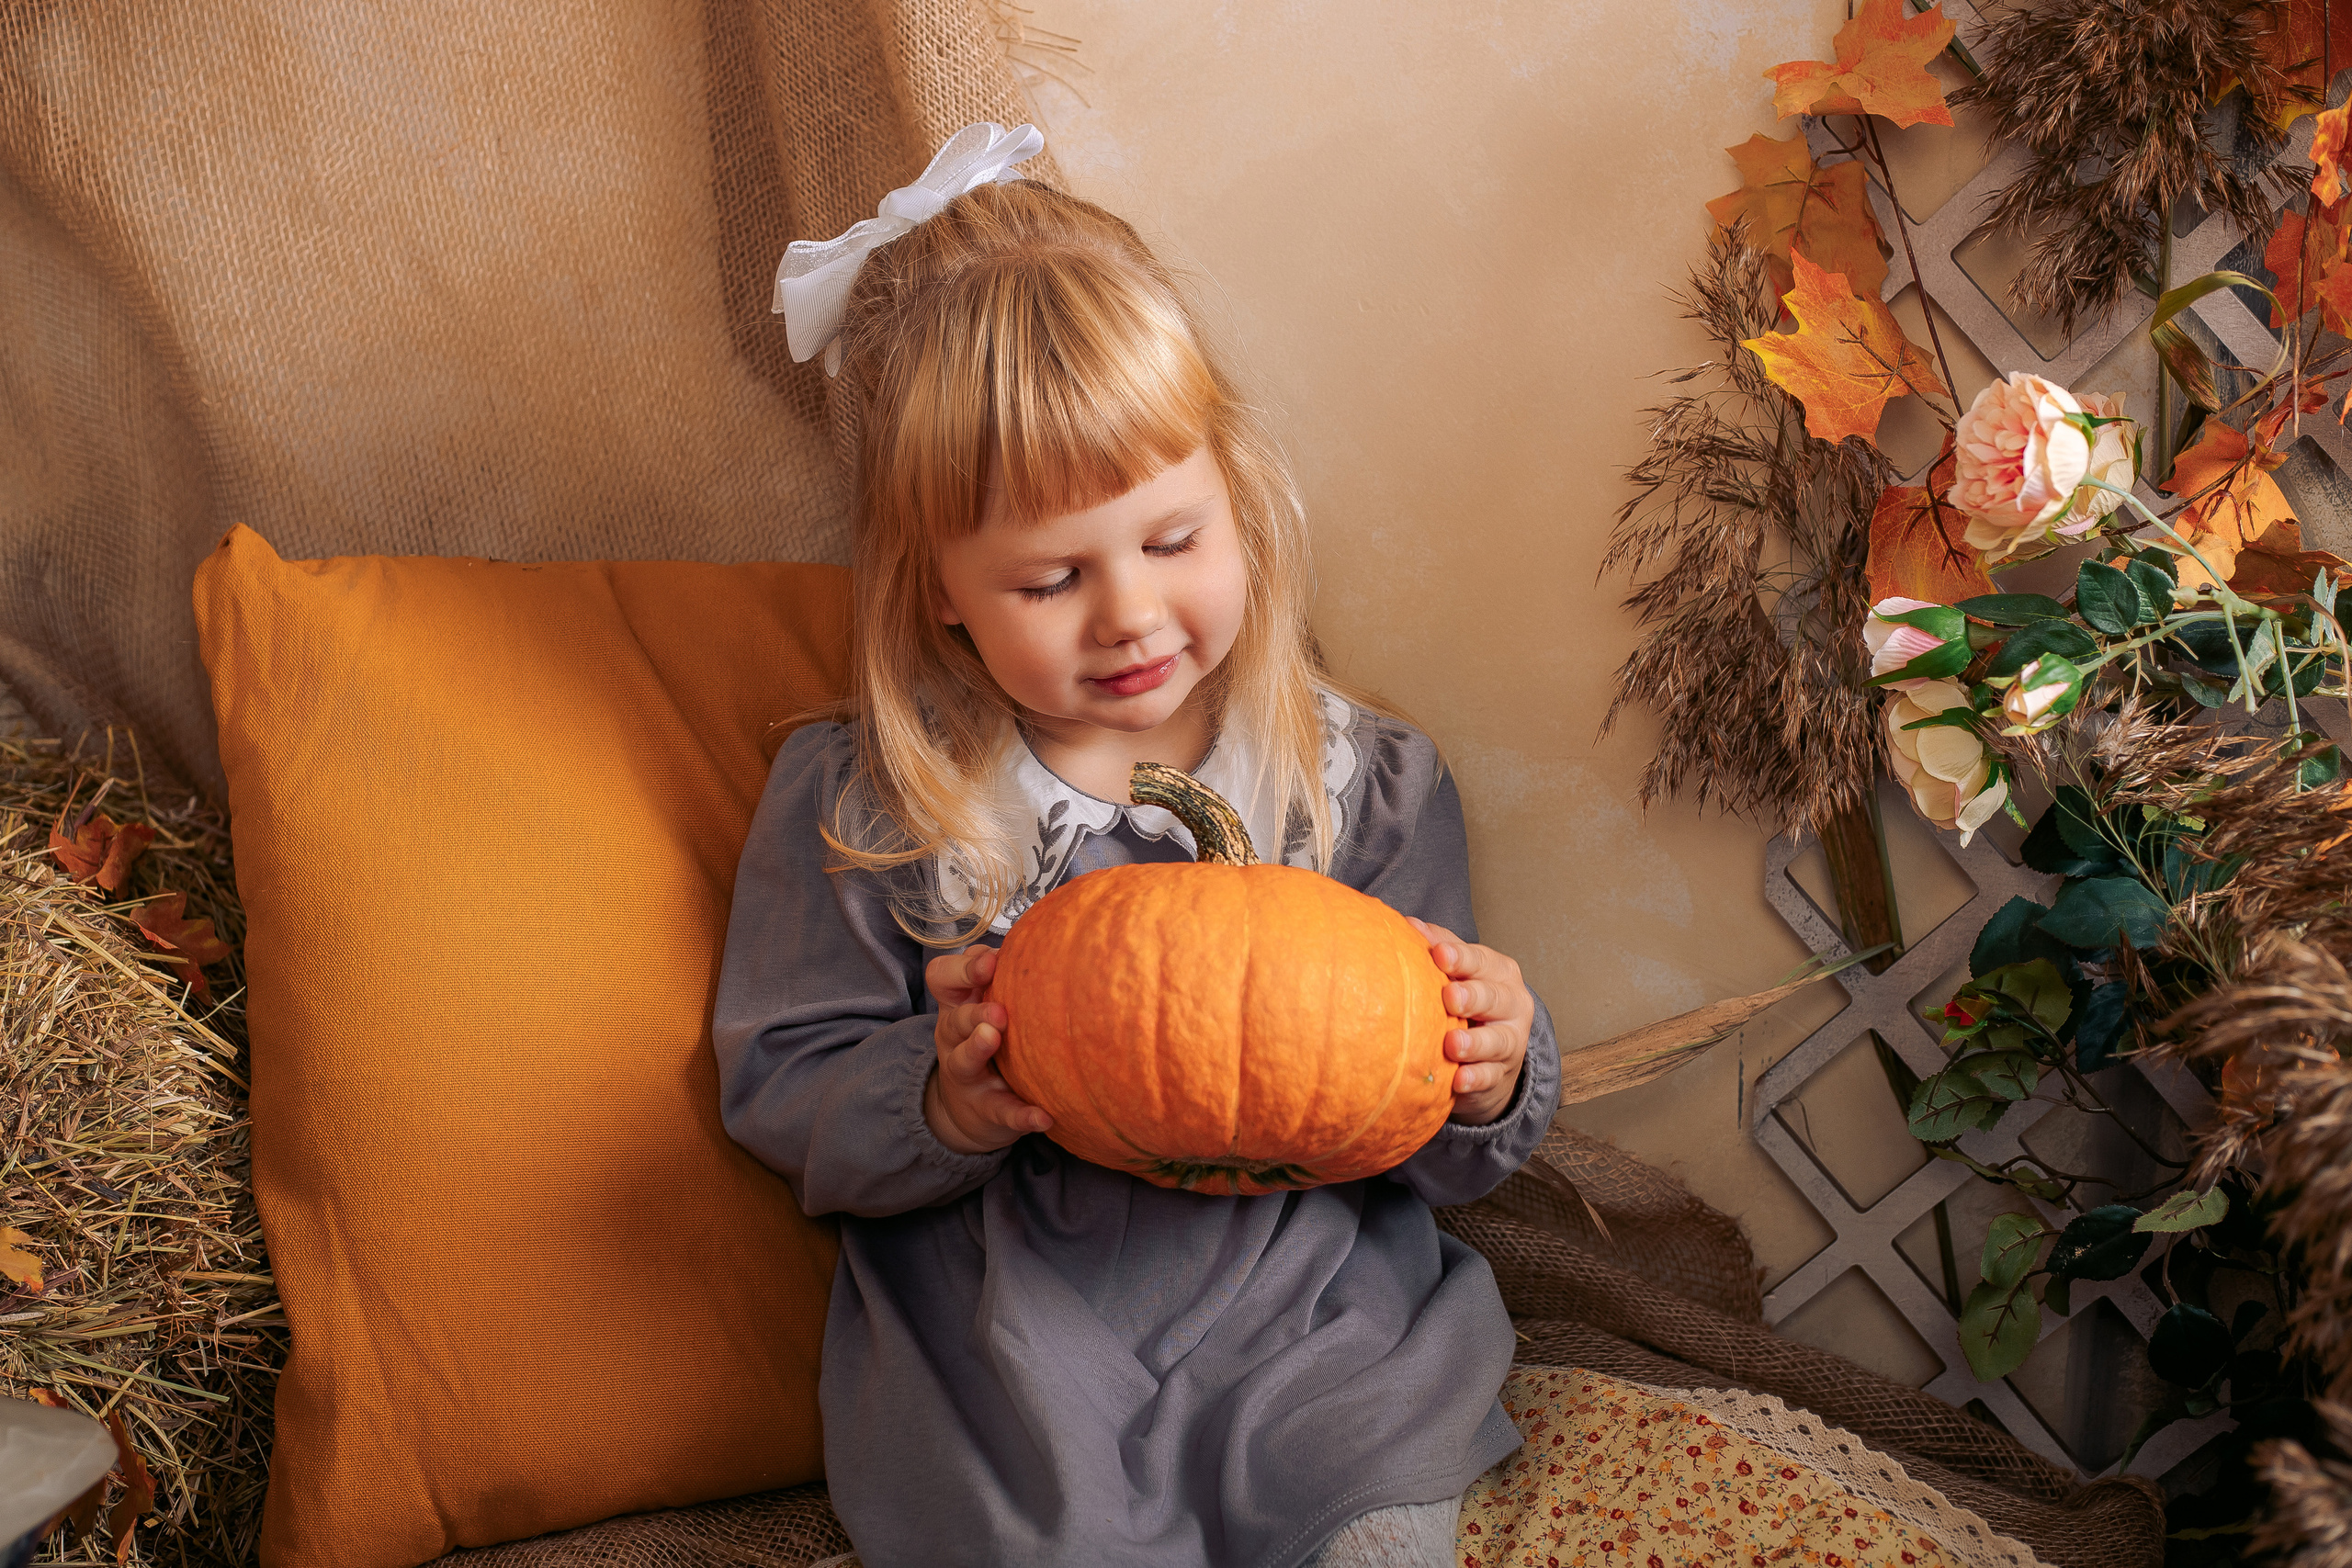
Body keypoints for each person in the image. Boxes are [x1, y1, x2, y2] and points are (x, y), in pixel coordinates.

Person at [714, 122, 1561, 1568]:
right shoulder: (872, 805)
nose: (1129, 614)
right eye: (1052, 578)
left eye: (1172, 542)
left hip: (1313, 1316)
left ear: (1236, 500)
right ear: (937, 597)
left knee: (1369, 1517)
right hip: (1016, 1343)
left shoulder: (1363, 782)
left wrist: (1487, 1073)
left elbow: (1426, 1142)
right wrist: (941, 1096)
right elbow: (779, 1082)